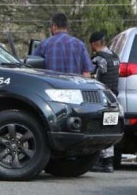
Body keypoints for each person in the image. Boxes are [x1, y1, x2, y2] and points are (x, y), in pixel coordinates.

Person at [89, 31, 120, 173]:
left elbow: (90, 76)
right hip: (114, 98)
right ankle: (109, 162)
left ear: (94, 44)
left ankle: (103, 162)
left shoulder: (98, 59)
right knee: (109, 127)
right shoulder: (114, 56)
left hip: (102, 99)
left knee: (100, 127)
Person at [36, 13, 92, 77]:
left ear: (54, 26)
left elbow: (32, 67)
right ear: (66, 26)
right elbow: (86, 74)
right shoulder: (80, 45)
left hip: (51, 85)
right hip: (74, 86)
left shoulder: (44, 44)